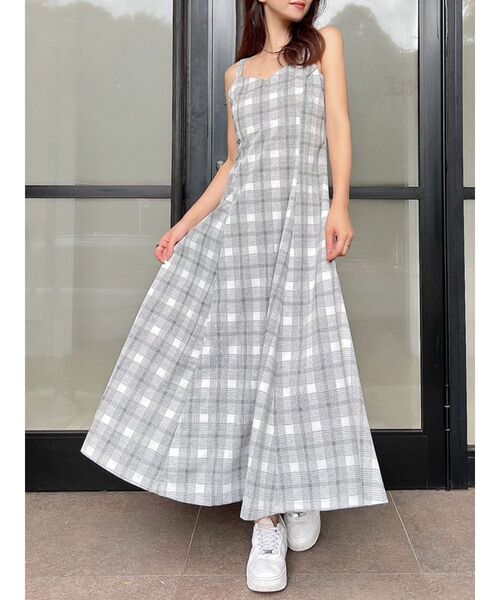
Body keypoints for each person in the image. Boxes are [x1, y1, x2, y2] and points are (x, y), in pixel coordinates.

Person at [81, 0, 388, 593]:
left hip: (297, 232)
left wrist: (340, 205)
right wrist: (181, 227)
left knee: (297, 366)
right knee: (247, 371)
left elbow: (340, 125)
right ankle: (267, 521)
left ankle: (296, 488)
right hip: (240, 238)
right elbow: (233, 166)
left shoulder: (325, 45)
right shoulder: (236, 75)